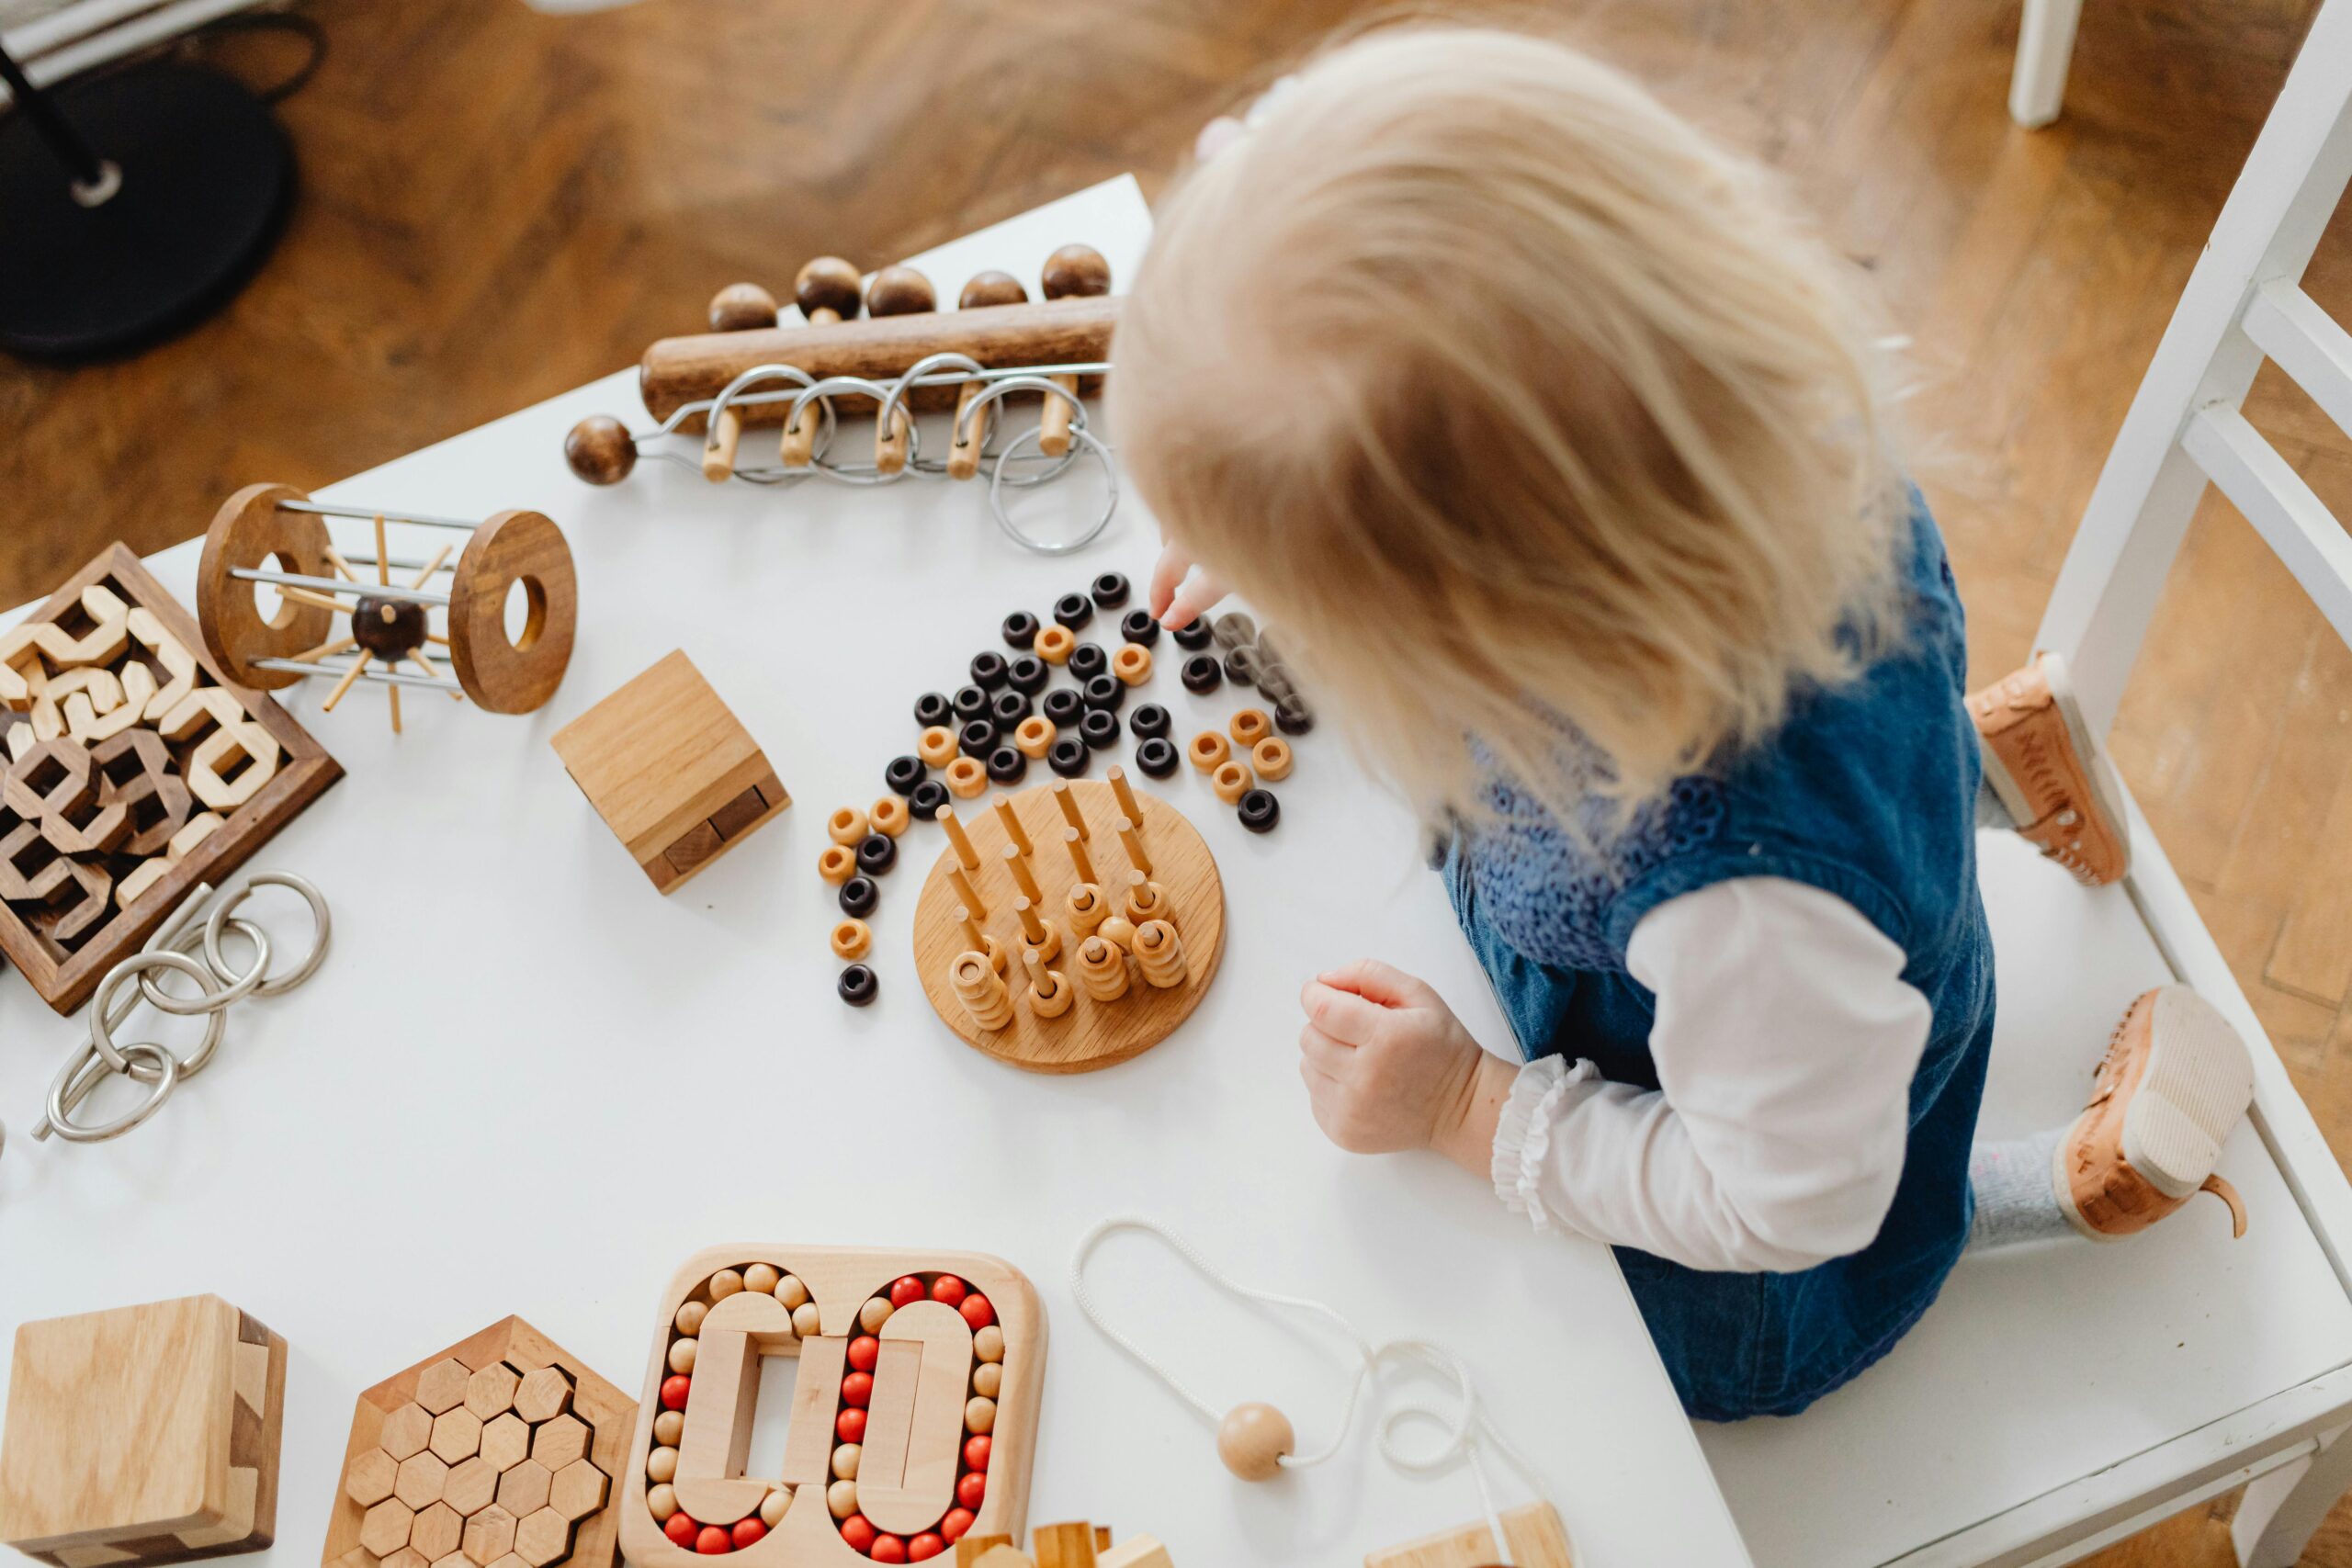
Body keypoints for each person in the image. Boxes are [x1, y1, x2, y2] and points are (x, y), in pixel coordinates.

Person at [1110, 27, 2256, 1419]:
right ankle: (1968, 777)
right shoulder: (1738, 438)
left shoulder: (1738, 902)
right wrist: (1295, 506)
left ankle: (2027, 1197)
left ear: (1490, 624)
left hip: (1772, 1242)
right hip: (1802, 941)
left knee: (1850, 1214)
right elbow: (1400, 321)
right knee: (1849, 846)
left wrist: (1467, 1109)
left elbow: (1792, 1205)